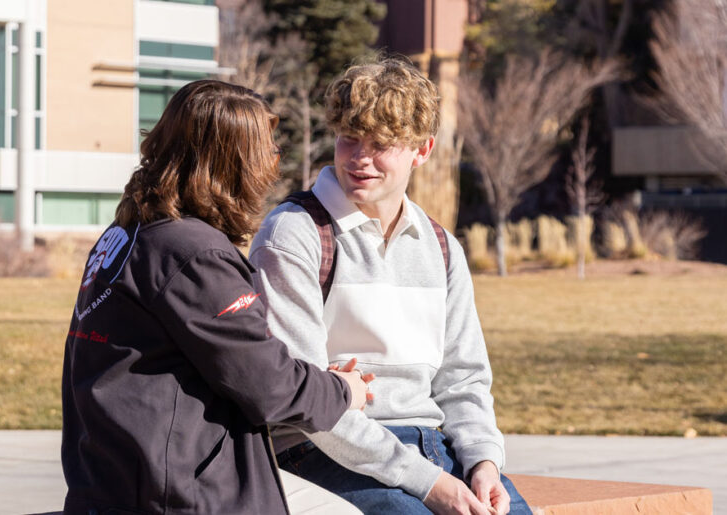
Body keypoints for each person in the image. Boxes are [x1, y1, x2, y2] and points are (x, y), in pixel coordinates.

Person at [60, 79, 372, 514]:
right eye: (267, 152)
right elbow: (267, 386)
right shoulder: (192, 255)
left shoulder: (127, 236)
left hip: (119, 480)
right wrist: (343, 390)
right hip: (178, 493)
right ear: (232, 162)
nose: (273, 166)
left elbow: (238, 358)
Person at [249, 57, 532, 514]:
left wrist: (483, 462)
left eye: (381, 144)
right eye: (349, 138)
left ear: (422, 150)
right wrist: (429, 484)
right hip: (321, 453)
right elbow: (304, 404)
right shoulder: (294, 235)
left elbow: (464, 378)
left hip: (436, 450)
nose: (360, 158)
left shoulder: (441, 247)